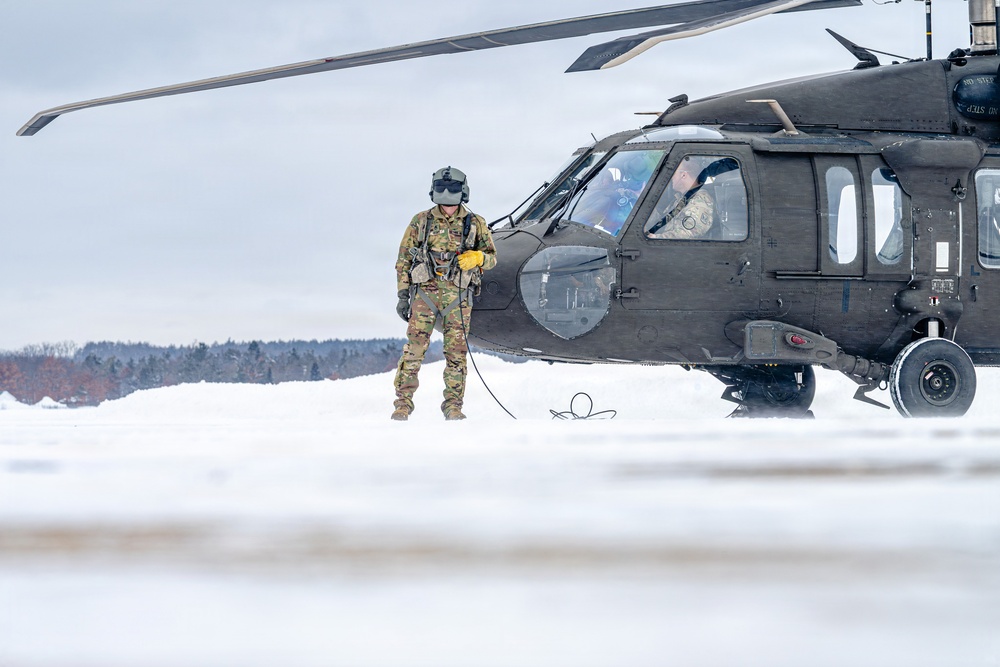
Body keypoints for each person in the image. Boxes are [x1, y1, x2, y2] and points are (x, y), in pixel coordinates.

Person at [391, 166, 497, 421]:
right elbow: (404, 259)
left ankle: (453, 406)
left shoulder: (475, 223)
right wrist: (403, 295)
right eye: (442, 188)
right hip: (425, 294)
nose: (447, 194)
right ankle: (402, 404)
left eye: (452, 189)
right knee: (414, 350)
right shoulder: (422, 221)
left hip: (458, 296)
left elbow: (492, 258)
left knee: (456, 354)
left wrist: (478, 257)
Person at [644, 159, 714, 239]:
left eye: (674, 173)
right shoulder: (681, 198)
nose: (671, 178)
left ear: (683, 175)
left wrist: (657, 237)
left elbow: (689, 233)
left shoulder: (699, 201)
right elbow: (662, 221)